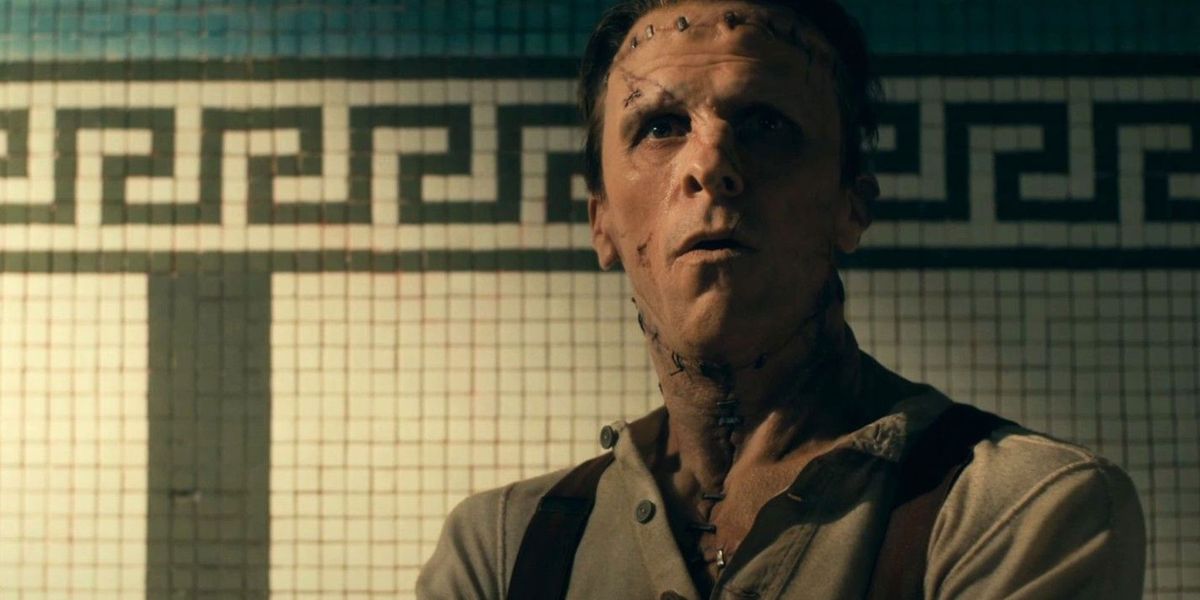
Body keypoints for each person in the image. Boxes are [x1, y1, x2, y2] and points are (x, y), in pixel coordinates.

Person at [416, 1, 1146, 598]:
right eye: (661, 127)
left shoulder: (1017, 509)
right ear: (601, 221)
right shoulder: (503, 550)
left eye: (766, 124)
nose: (710, 165)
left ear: (851, 207)